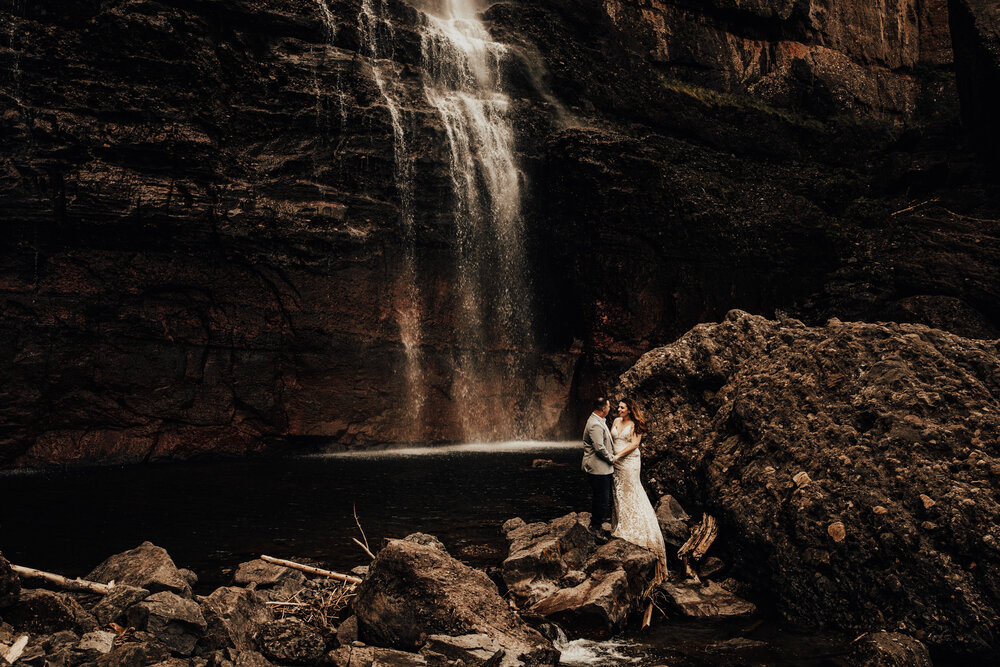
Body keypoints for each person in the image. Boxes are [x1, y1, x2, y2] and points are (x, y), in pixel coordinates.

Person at [610, 397, 667, 590]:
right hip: (615, 461)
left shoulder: (635, 424)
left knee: (632, 490)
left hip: (629, 460)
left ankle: (639, 529)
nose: (618, 410)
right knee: (619, 491)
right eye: (618, 407)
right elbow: (611, 439)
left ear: (629, 409)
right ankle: (621, 523)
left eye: (622, 407)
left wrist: (618, 455)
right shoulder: (616, 421)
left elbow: (634, 444)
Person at [581, 396, 615, 543]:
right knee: (602, 499)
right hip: (598, 468)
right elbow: (599, 448)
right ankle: (595, 528)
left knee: (600, 498)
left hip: (601, 468)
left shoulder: (597, 420)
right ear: (603, 409)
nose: (610, 409)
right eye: (608, 407)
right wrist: (612, 459)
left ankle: (596, 525)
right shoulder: (595, 424)